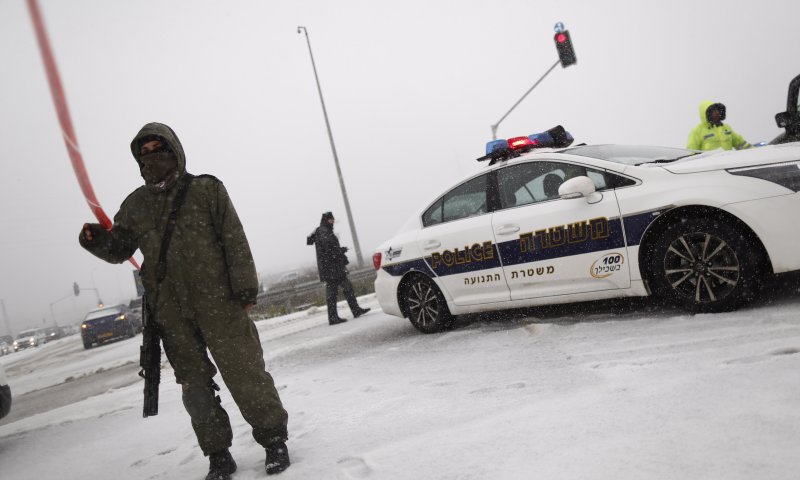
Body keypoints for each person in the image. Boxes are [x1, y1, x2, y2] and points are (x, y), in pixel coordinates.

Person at [79, 122, 290, 479]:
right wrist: (95, 239)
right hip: (171, 312)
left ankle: (273, 441)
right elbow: (119, 250)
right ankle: (218, 455)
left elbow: (234, 239)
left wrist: (245, 291)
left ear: (174, 150)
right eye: (143, 153)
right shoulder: (135, 206)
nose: (151, 157)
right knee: (195, 388)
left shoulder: (207, 190)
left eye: (157, 149)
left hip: (220, 303)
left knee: (246, 375)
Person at [307, 212, 370, 325]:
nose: (333, 222)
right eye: (331, 220)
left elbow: (313, 242)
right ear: (326, 220)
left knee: (343, 289)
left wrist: (340, 250)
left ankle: (350, 312)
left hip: (331, 268)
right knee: (339, 291)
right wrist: (340, 251)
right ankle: (339, 316)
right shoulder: (324, 231)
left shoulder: (322, 230)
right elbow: (329, 250)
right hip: (332, 268)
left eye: (333, 220)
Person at [686, 101, 751, 151]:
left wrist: (755, 152)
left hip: (727, 165)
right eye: (713, 111)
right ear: (706, 113)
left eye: (717, 110)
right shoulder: (697, 131)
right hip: (711, 167)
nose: (717, 113)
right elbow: (691, 152)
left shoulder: (726, 128)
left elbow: (741, 144)